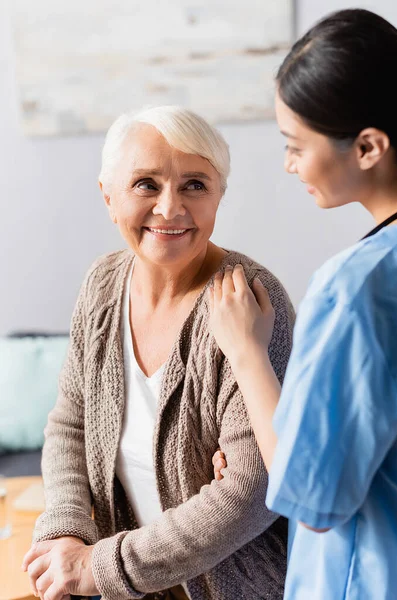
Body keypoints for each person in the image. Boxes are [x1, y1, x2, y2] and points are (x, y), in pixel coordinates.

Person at [21, 106, 295, 600]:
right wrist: (65, 528)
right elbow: (70, 424)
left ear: (218, 196)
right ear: (108, 196)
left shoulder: (250, 300)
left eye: (195, 185)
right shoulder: (102, 285)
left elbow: (251, 493)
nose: (170, 208)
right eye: (146, 184)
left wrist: (99, 566)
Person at [210, 9, 397, 600]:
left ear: (368, 146)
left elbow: (312, 496)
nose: (290, 165)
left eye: (296, 146)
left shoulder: (357, 286)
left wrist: (246, 352)